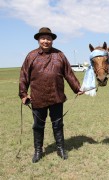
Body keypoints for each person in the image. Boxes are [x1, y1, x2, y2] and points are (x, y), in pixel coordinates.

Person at [19, 27, 84, 163]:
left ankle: (60, 148)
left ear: (52, 40)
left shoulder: (59, 55)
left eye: (48, 38)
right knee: (38, 125)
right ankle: (38, 150)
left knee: (58, 124)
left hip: (56, 96)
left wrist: (77, 88)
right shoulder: (31, 56)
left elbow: (69, 73)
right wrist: (23, 94)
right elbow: (24, 75)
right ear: (38, 40)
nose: (46, 41)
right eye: (43, 38)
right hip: (37, 97)